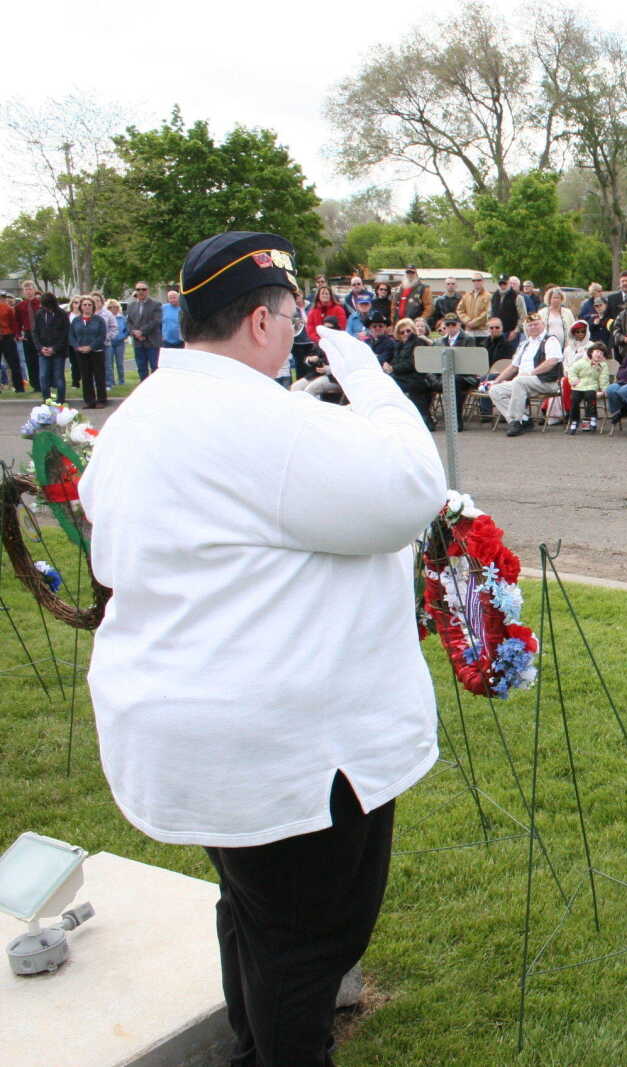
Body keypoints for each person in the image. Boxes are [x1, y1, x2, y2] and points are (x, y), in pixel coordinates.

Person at [80, 232, 444, 1067]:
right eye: (289, 318)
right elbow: (410, 490)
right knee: (307, 942)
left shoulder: (144, 412)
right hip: (277, 741)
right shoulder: (259, 419)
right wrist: (370, 380)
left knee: (252, 913)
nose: (292, 334)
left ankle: (253, 1050)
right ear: (257, 321)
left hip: (191, 724)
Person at [487, 314, 565, 437]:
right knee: (495, 390)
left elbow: (552, 361)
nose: (533, 327)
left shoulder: (550, 340)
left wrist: (530, 373)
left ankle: (515, 421)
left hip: (547, 382)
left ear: (543, 325)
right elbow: (513, 367)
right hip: (523, 383)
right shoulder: (524, 344)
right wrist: (496, 381)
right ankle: (524, 419)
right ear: (526, 328)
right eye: (530, 325)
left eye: (536, 324)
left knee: (520, 381)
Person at [388, 318, 439, 429]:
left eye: (408, 331)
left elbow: (413, 364)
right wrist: (389, 366)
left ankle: (423, 421)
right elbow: (396, 361)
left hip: (417, 378)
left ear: (413, 330)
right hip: (403, 377)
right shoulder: (399, 345)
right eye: (402, 332)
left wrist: (393, 368)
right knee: (387, 381)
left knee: (391, 385)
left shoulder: (418, 342)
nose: (405, 334)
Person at [70, 295, 109, 408]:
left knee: (99, 376)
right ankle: (89, 401)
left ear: (93, 307)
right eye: (85, 305)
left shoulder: (99, 320)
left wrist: (90, 347)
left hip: (96, 352)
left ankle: (101, 400)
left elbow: (101, 336)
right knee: (86, 377)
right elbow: (71, 336)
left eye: (89, 305)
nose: (87, 307)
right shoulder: (76, 321)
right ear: (81, 307)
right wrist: (77, 347)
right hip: (81, 353)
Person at [565, 341, 612, 433]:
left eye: (601, 353)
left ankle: (591, 418)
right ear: (591, 352)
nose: (599, 355)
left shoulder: (603, 365)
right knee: (574, 399)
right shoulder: (582, 362)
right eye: (597, 352)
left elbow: (604, 378)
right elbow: (572, 371)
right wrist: (574, 380)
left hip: (592, 387)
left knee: (590, 396)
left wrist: (603, 390)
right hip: (579, 386)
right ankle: (574, 421)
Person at [33, 293, 70, 403]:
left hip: (58, 351)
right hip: (43, 351)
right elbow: (35, 332)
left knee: (59, 377)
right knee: (43, 376)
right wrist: (40, 347)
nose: (47, 309)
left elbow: (65, 334)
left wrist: (54, 348)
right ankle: (47, 400)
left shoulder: (62, 314)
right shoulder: (39, 314)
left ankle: (60, 400)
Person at [125, 282, 164, 380]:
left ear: (148, 291)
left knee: (155, 367)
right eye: (138, 289)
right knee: (141, 368)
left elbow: (156, 321)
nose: (141, 291)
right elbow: (128, 322)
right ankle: (143, 385)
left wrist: (142, 332)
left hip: (152, 342)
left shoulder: (156, 304)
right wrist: (134, 333)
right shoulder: (131, 305)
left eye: (143, 289)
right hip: (138, 343)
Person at [457, 275, 492, 344]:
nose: (476, 282)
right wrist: (467, 321)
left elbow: (488, 312)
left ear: (483, 281)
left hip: (483, 332)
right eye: (474, 280)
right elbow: (459, 310)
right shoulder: (466, 296)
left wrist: (474, 323)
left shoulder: (488, 296)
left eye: (478, 280)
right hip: (469, 332)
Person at [104, 298, 129, 387]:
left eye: (115, 307)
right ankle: (111, 381)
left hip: (120, 343)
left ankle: (121, 381)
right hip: (109, 342)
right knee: (109, 363)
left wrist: (123, 336)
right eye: (110, 307)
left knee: (120, 363)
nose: (113, 309)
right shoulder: (106, 318)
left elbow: (127, 329)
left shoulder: (122, 318)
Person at [0, 293, 20, 392]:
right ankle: (19, 387)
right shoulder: (8, 308)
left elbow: (13, 323)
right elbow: (13, 323)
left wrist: (14, 334)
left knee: (14, 363)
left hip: (7, 336)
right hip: (7, 335)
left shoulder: (7, 309)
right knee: (14, 363)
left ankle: (18, 387)